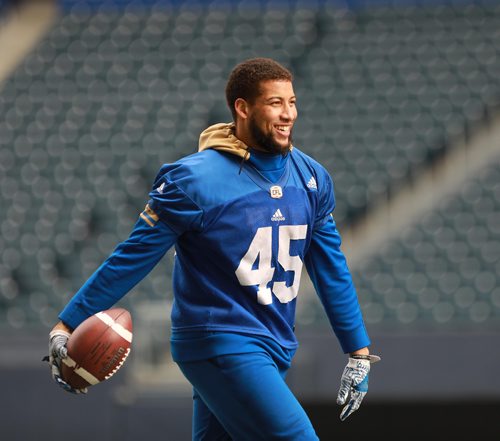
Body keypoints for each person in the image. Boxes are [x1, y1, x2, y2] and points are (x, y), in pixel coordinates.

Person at [47, 58, 380, 440]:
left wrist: (357, 350)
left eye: (292, 102)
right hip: (220, 340)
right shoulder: (194, 179)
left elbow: (330, 266)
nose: (288, 114)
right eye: (275, 103)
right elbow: (133, 256)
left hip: (274, 341)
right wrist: (69, 322)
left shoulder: (312, 177)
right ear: (242, 107)